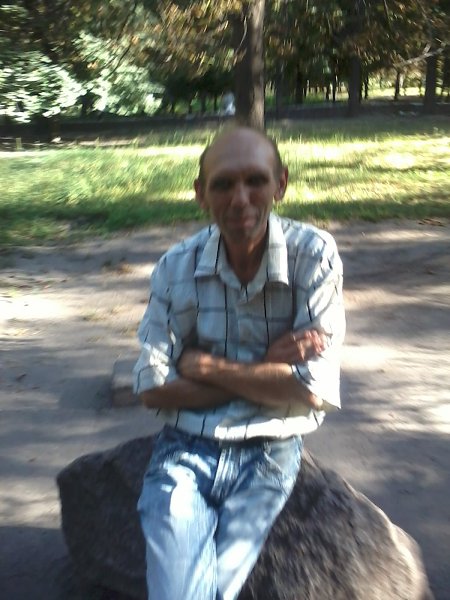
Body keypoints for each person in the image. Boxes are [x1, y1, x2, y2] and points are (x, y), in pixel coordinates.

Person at [133, 126, 345, 600]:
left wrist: (207, 368)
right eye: (224, 184)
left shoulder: (314, 256)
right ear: (200, 194)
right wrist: (267, 370)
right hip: (183, 452)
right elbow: (153, 387)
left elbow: (312, 390)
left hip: (270, 452)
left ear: (280, 184)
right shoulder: (175, 267)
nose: (240, 199)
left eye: (256, 180)